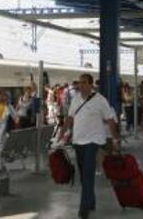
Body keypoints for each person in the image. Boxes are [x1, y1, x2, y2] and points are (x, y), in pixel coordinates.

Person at [58, 73, 119, 219]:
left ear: (91, 85)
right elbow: (70, 118)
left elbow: (110, 120)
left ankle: (83, 208)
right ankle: (90, 201)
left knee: (88, 173)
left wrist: (115, 140)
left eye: (84, 83)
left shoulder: (100, 100)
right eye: (80, 83)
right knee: (83, 175)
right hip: (78, 141)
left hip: (94, 141)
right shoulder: (75, 99)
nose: (81, 85)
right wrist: (61, 135)